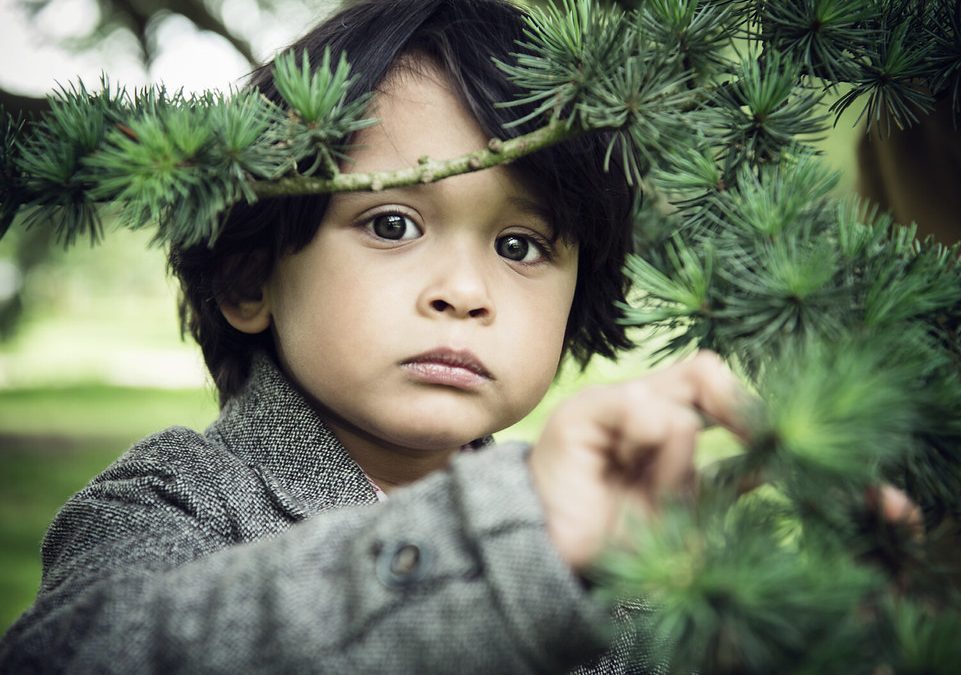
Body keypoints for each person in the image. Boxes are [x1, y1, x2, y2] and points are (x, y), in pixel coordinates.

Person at [0, 0, 752, 672]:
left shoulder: (606, 534)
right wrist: (495, 539)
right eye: (392, 224)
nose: (463, 292)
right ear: (248, 279)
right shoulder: (175, 499)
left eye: (520, 245)